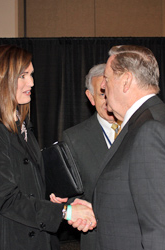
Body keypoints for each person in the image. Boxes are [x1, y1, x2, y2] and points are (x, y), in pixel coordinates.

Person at [0, 44, 96, 250]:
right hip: (11, 240)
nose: (31, 82)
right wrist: (65, 212)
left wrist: (60, 200)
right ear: (1, 80)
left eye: (31, 74)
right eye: (23, 75)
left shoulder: (21, 124)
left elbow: (28, 185)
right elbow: (7, 199)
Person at [84, 45, 165, 249]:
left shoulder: (151, 130)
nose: (102, 86)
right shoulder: (150, 120)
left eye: (107, 78)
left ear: (126, 81)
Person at [50, 63, 121, 250]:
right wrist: (79, 213)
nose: (109, 100)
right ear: (90, 97)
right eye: (102, 94)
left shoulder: (141, 129)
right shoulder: (74, 138)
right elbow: (68, 194)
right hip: (97, 237)